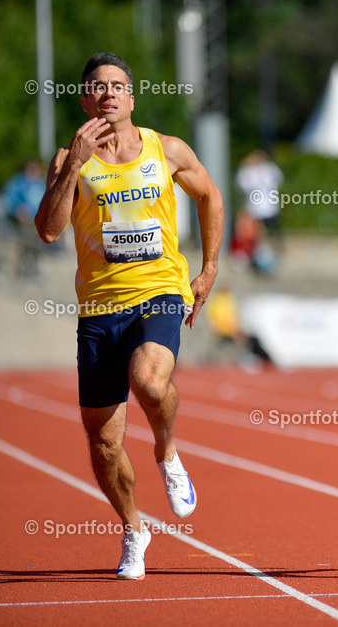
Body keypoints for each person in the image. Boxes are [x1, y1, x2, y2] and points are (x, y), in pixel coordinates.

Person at [34, 53, 224, 579]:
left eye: (119, 86)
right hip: (98, 309)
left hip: (159, 292)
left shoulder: (167, 149)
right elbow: (49, 231)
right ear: (85, 99)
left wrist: (207, 270)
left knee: (149, 378)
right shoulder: (68, 160)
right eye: (98, 87)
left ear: (132, 97)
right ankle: (135, 529)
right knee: (103, 440)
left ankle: (167, 453)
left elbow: (210, 196)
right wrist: (73, 165)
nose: (109, 94)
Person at [4, 160, 49, 277]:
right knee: (23, 246)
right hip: (23, 221)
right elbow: (10, 199)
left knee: (37, 246)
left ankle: (34, 267)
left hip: (38, 222)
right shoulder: (18, 182)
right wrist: (17, 210)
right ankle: (20, 270)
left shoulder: (41, 183)